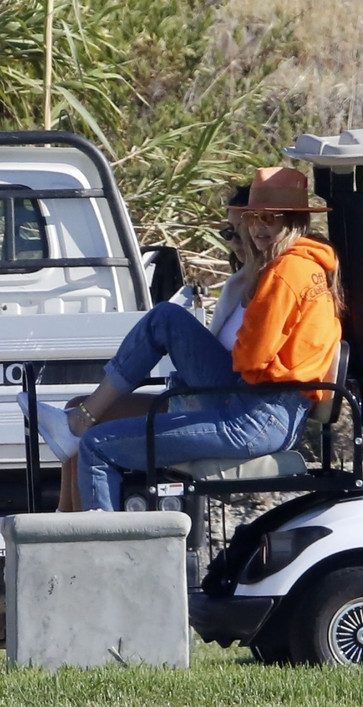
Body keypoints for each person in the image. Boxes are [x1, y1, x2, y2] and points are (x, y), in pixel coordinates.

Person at [18, 166, 342, 512]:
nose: (258, 227)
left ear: (294, 222)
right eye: (253, 218)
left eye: (271, 218)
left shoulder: (285, 272)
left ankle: (99, 544)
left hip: (255, 413)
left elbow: (253, 357)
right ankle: (72, 509)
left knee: (96, 445)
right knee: (167, 318)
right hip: (260, 406)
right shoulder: (305, 268)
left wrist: (234, 345)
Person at [54, 183, 252, 512]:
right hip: (198, 396)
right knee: (75, 411)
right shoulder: (240, 284)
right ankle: (62, 524)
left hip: (226, 405)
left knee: (166, 318)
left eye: (240, 232)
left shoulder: (273, 288)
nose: (234, 242)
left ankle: (79, 528)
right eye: (228, 233)